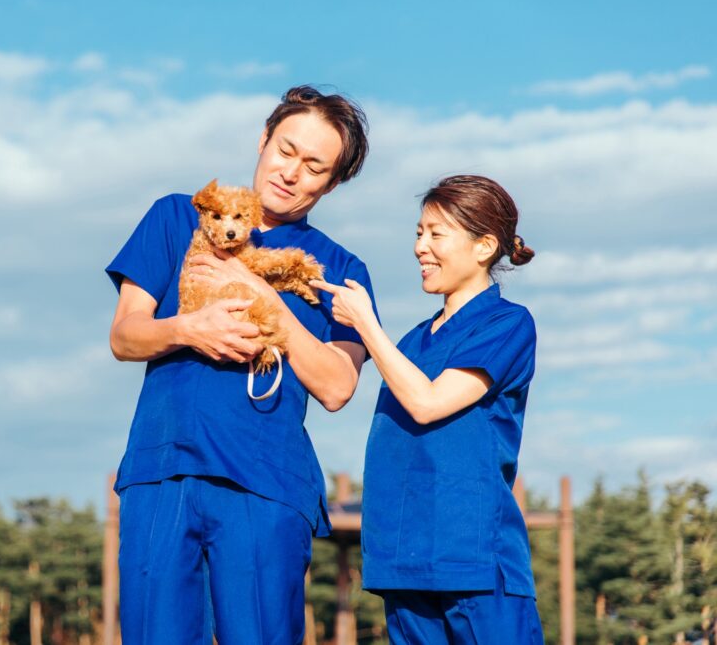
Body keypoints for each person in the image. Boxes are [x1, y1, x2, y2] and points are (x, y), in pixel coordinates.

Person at [106, 85, 375, 644]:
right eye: (285, 150)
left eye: (314, 166)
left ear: (334, 180)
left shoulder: (340, 269)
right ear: (262, 139)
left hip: (267, 484)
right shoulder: (178, 216)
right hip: (164, 470)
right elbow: (125, 337)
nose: (291, 172)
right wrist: (186, 328)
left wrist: (266, 296)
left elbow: (336, 385)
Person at [311, 175, 542, 644]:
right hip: (404, 560)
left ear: (484, 247)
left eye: (437, 234)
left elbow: (428, 403)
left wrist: (367, 327)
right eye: (419, 233)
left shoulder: (508, 323)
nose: (421, 247)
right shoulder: (412, 342)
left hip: (475, 560)